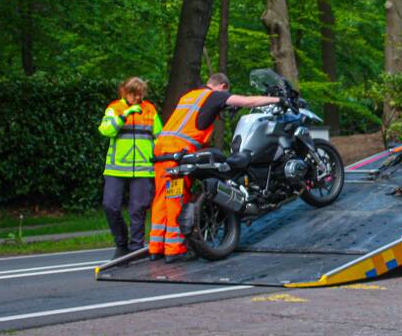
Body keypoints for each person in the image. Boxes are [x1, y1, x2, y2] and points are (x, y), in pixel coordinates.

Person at [150, 73, 281, 263]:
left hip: (162, 148)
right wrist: (277, 99)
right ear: (222, 86)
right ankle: (174, 249)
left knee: (162, 197)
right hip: (179, 150)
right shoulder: (216, 96)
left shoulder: (189, 96)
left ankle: (156, 248)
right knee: (175, 199)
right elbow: (247, 101)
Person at [98, 77, 162, 261]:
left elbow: (159, 136)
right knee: (110, 206)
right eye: (133, 94)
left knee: (138, 209)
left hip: (143, 168)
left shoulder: (149, 109)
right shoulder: (115, 108)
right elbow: (106, 130)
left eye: (140, 94)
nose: (137, 98)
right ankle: (121, 244)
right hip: (116, 169)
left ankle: (135, 248)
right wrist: (124, 115)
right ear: (125, 92)